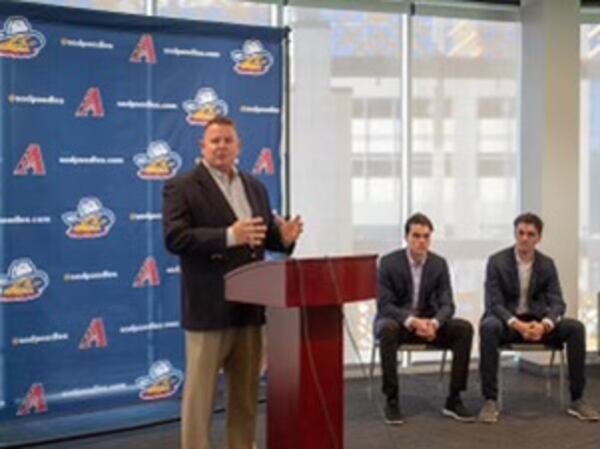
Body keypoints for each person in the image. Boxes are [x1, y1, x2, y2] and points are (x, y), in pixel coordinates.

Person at [163, 116, 303, 449]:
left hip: (249, 311)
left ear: (239, 147)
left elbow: (263, 237)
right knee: (200, 403)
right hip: (208, 310)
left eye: (228, 140)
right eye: (215, 141)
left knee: (245, 399)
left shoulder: (255, 186)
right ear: (203, 147)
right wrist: (228, 236)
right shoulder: (182, 186)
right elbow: (175, 237)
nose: (222, 146)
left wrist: (282, 238)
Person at [478, 212, 599, 423]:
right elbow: (493, 303)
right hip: (508, 323)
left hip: (538, 325)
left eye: (530, 234)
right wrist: (518, 325)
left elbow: (558, 302)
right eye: (521, 233)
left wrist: (545, 324)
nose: (524, 238)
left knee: (576, 328)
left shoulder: (547, 264)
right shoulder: (496, 262)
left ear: (538, 238)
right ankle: (490, 400)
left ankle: (578, 399)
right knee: (488, 326)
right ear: (515, 234)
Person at [375, 213, 475, 424]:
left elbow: (448, 304)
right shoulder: (389, 262)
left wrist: (434, 323)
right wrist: (412, 321)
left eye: (426, 236)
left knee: (464, 329)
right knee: (387, 329)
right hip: (399, 323)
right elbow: (385, 305)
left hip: (429, 325)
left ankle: (454, 399)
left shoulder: (439, 264)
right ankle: (392, 399)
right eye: (416, 236)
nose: (422, 241)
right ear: (407, 238)